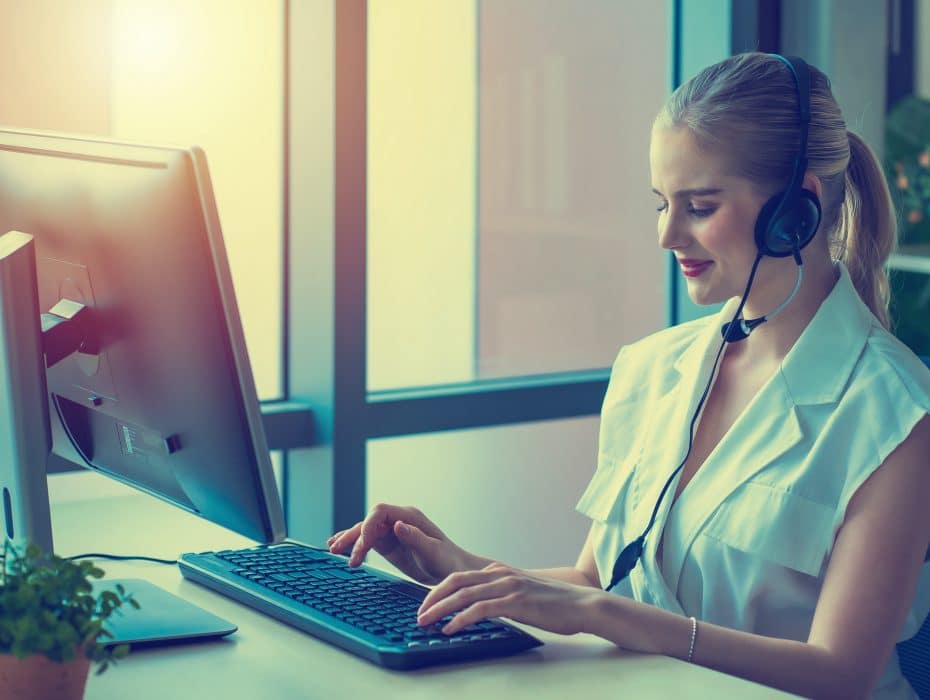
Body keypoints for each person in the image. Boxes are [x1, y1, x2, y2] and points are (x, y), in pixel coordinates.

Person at [327, 52, 930, 699]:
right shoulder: (656, 368)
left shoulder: (894, 414)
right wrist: (463, 571)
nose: (668, 234)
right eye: (662, 203)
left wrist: (606, 616)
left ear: (796, 209)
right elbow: (598, 581)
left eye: (699, 205)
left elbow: (842, 672)